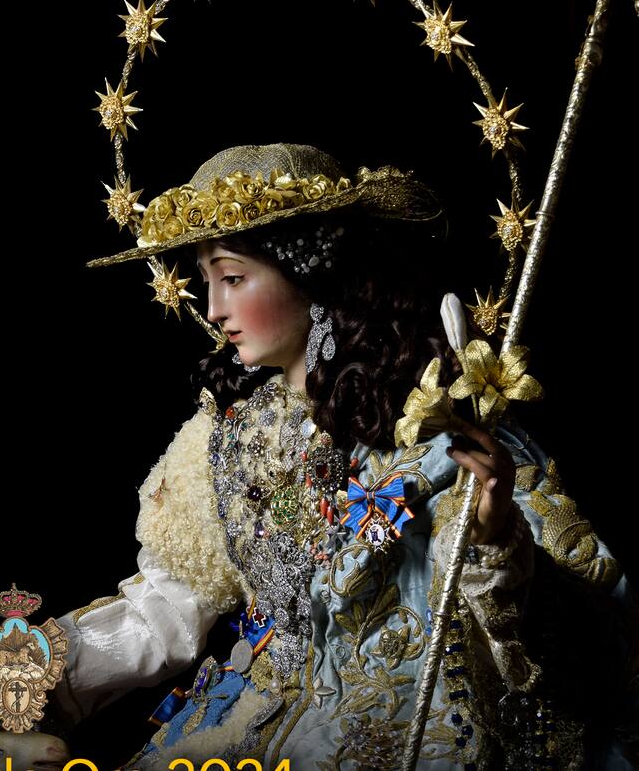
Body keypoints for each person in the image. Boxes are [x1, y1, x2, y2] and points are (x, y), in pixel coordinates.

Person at [45, 144, 633, 769]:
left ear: (311, 275)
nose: (213, 310)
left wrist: (493, 541)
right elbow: (169, 606)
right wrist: (25, 674)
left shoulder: (432, 423)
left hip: (401, 720)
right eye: (207, 280)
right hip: (254, 713)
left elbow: (579, 624)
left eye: (233, 278)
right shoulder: (224, 436)